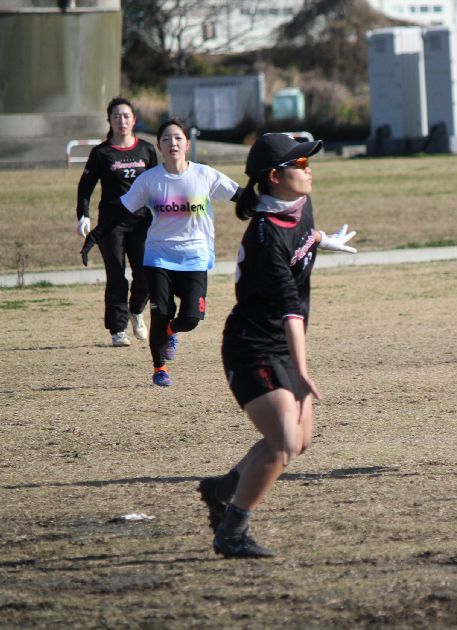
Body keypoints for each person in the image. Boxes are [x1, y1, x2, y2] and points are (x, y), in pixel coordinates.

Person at [197, 133, 357, 558]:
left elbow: (304, 233)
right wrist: (301, 374)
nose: (308, 170)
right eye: (299, 164)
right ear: (274, 176)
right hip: (252, 346)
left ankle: (222, 488)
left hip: (280, 344)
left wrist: (323, 239)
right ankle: (232, 532)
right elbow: (291, 312)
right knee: (284, 441)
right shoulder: (265, 236)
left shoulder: (300, 202)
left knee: (299, 440)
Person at [118, 117, 242, 387]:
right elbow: (122, 210)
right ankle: (159, 368)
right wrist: (96, 234)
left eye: (178, 138)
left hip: (195, 257)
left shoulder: (204, 175)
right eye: (166, 139)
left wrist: (269, 201)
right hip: (158, 257)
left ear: (187, 144)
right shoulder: (149, 180)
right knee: (160, 313)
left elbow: (240, 195)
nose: (172, 143)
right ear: (159, 146)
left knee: (191, 318)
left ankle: (171, 331)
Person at [75, 97, 158, 347]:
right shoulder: (101, 153)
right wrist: (83, 215)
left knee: (145, 274)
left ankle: (136, 311)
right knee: (116, 276)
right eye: (116, 116)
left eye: (126, 116)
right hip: (111, 225)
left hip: (142, 222)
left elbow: (157, 185)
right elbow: (85, 187)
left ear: (134, 120)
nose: (122, 120)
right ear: (109, 121)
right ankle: (118, 329)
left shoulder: (147, 150)